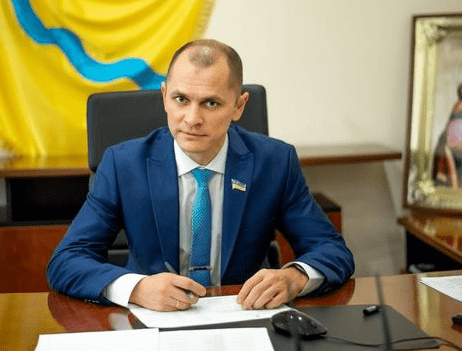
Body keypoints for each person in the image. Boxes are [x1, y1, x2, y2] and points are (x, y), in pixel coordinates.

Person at [47, 39, 354, 311]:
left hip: (243, 318)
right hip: (151, 321)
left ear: (239, 106)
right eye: (181, 99)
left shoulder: (274, 163)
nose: (192, 119)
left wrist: (295, 277)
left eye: (211, 103)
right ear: (164, 96)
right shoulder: (124, 164)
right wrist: (137, 288)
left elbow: (332, 251)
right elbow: (66, 261)